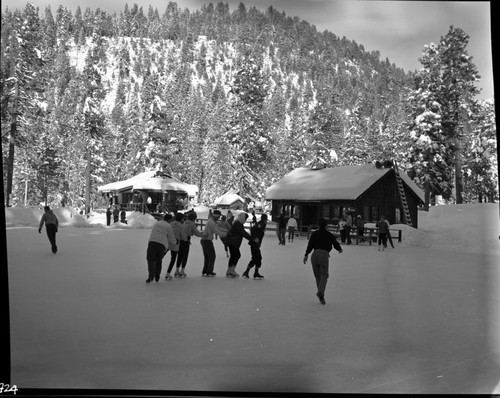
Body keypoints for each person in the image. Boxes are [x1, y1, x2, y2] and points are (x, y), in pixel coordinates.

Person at [303, 218, 343, 305]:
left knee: (318, 276)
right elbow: (334, 242)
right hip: (324, 255)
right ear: (326, 225)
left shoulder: (314, 234)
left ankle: (321, 296)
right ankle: (320, 292)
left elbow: (310, 245)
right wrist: (339, 249)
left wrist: (306, 254)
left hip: (314, 255)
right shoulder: (328, 234)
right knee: (324, 275)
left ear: (318, 225)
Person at [171, 211, 206, 280]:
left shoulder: (184, 222)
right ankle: (182, 271)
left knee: (180, 255)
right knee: (185, 255)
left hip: (180, 240)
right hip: (185, 240)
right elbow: (197, 233)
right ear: (194, 218)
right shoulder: (192, 224)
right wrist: (204, 234)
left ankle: (177, 270)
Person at [146, 213, 176, 283]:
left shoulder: (157, 223)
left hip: (152, 241)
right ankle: (157, 276)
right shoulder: (168, 226)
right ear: (170, 220)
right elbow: (171, 238)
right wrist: (175, 242)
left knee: (151, 259)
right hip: (162, 244)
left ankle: (150, 276)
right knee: (158, 260)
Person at [225, 213, 256, 278]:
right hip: (233, 242)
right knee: (236, 255)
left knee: (234, 255)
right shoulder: (238, 224)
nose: (246, 220)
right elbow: (243, 233)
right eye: (245, 218)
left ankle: (230, 270)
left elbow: (242, 232)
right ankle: (231, 270)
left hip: (233, 242)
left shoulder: (238, 223)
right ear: (243, 218)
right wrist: (252, 239)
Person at [200, 209, 228, 277]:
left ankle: (205, 271)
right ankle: (209, 271)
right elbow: (218, 232)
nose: (219, 218)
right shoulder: (211, 222)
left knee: (207, 257)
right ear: (215, 216)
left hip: (204, 240)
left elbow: (218, 228)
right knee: (212, 256)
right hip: (207, 241)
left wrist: (226, 230)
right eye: (218, 217)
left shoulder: (212, 221)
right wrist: (227, 234)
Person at [242, 214, 268, 279]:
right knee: (255, 258)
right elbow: (253, 229)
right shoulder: (261, 224)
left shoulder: (261, 224)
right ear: (265, 219)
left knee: (258, 258)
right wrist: (255, 238)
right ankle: (246, 272)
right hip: (254, 244)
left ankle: (256, 273)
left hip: (256, 244)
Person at [165, 212, 184, 279]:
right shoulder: (181, 226)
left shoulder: (171, 224)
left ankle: (155, 269)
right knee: (173, 259)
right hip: (175, 243)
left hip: (168, 241)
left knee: (161, 256)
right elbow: (182, 235)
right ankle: (168, 273)